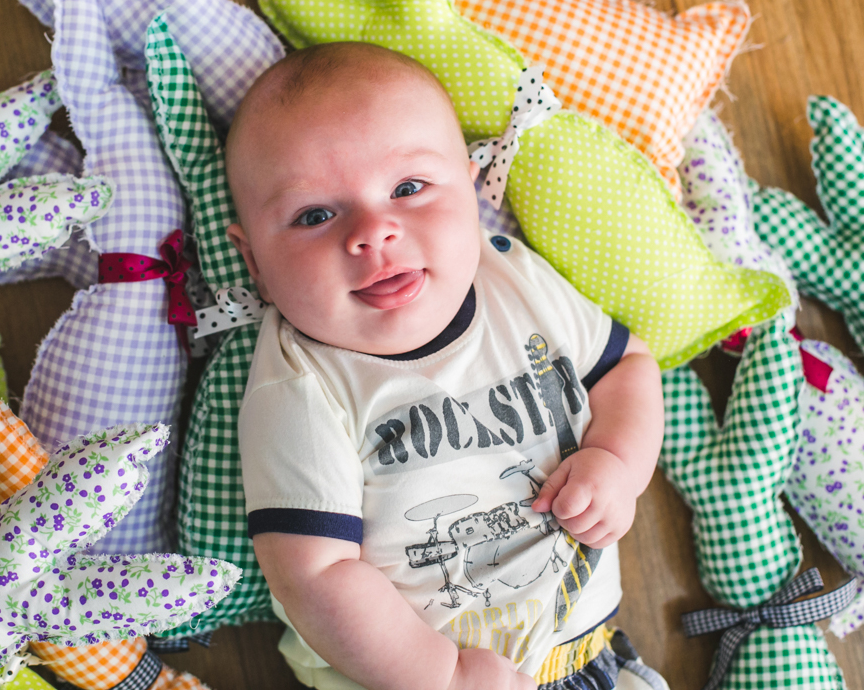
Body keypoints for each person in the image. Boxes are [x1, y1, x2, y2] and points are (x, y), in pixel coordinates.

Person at [225, 41, 667, 690]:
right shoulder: (301, 384)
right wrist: (443, 676)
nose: (374, 232)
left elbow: (628, 364)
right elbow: (313, 574)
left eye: (408, 188)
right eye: (315, 215)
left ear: (470, 187)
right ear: (255, 262)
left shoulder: (513, 277)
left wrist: (618, 465)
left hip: (584, 651)